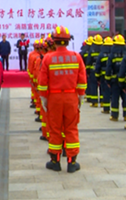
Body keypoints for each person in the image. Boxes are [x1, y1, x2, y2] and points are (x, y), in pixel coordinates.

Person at [38, 26, 87, 173]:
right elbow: (82, 80)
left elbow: (42, 83)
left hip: (54, 98)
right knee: (71, 128)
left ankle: (55, 161)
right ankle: (72, 163)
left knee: (55, 129)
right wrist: (80, 97)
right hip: (71, 97)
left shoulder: (47, 58)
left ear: (54, 41)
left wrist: (44, 100)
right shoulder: (76, 57)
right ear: (68, 40)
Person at [106, 34, 126, 121]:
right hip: (125, 80)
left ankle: (114, 115)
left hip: (115, 81)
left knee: (115, 98)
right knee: (125, 98)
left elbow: (109, 68)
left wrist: (108, 80)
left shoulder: (112, 55)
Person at [95, 37, 113, 114]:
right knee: (113, 94)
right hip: (114, 77)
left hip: (103, 77)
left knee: (105, 92)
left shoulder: (101, 54)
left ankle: (106, 108)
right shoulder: (114, 54)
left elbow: (98, 67)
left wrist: (97, 77)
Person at [86, 35, 103, 106]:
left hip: (93, 70)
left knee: (93, 85)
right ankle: (102, 102)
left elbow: (89, 61)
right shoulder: (103, 49)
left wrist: (88, 71)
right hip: (101, 71)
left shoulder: (92, 50)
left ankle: (94, 102)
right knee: (102, 86)